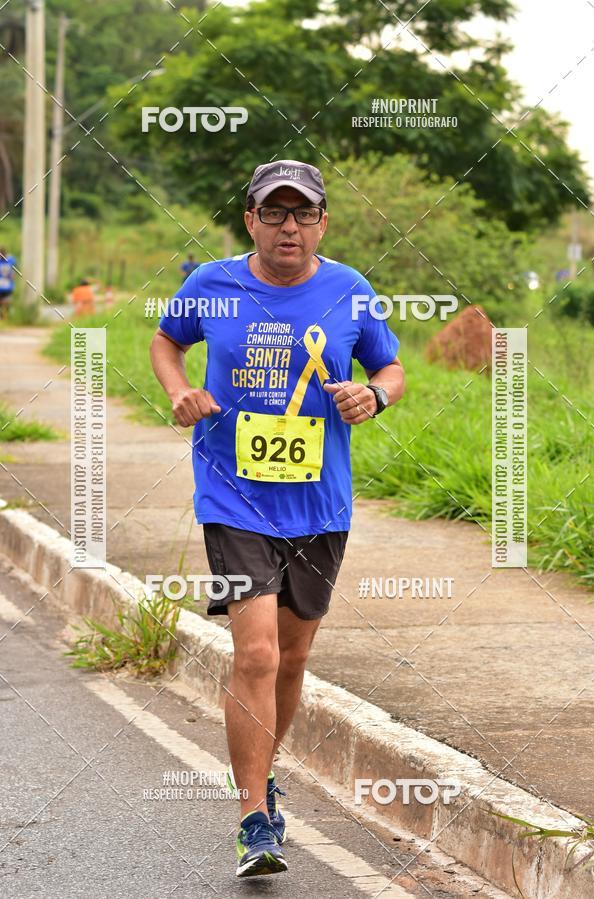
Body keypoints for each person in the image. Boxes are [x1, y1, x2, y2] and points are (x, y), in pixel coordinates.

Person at [150, 159, 405, 879]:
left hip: (320, 502)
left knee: (292, 658)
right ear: (249, 219)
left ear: (322, 221)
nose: (287, 226)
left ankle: (266, 779)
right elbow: (166, 340)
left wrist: (373, 397)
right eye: (273, 212)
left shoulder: (349, 291)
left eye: (302, 213)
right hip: (234, 496)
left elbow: (391, 367)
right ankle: (253, 816)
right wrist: (178, 391)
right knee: (256, 653)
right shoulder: (213, 286)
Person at [0, 248, 16, 321]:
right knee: (5, 301)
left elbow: (13, 273)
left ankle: (5, 317)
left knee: (6, 302)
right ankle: (4, 316)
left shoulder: (10, 260)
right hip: (6, 286)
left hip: (7, 286)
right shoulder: (10, 260)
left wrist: (13, 275)